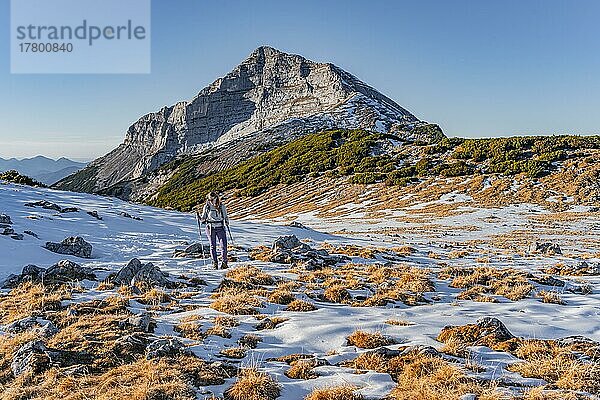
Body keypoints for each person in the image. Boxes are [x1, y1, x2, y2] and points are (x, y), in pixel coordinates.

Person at [197, 191, 229, 269]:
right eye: (209, 199)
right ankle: (215, 263)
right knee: (212, 246)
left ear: (215, 198)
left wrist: (227, 222)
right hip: (210, 228)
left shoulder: (222, 206)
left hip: (220, 227)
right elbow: (204, 218)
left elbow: (225, 216)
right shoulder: (207, 207)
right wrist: (199, 218)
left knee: (224, 246)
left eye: (211, 199)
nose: (210, 201)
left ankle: (224, 263)